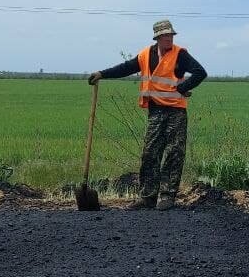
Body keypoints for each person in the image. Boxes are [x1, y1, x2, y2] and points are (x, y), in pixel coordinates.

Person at [88, 19, 207, 210]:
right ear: (158, 37)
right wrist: (102, 73)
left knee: (174, 153)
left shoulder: (181, 54)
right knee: (150, 153)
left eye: (171, 35)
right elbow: (125, 68)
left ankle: (167, 196)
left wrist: (183, 87)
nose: (169, 38)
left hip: (176, 110)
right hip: (155, 110)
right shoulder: (145, 55)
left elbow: (201, 73)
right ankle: (147, 197)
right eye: (165, 35)